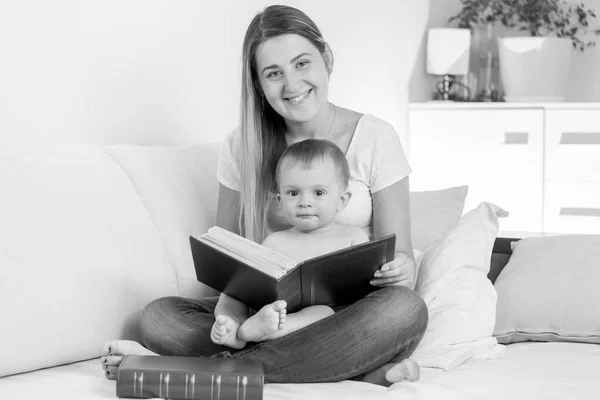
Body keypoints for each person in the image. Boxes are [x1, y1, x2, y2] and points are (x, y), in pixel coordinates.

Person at [101, 4, 428, 386]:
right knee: (159, 317)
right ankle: (343, 368)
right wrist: (236, 313)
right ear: (258, 84)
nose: (292, 84)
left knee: (404, 310)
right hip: (266, 314)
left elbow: (402, 257)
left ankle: (206, 372)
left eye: (302, 63)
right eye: (274, 73)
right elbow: (225, 260)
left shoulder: (375, 138)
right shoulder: (244, 147)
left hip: (345, 315)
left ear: (327, 59)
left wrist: (400, 268)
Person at [211, 138, 370, 349]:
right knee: (232, 289)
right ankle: (231, 325)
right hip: (272, 310)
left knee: (323, 311)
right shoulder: (275, 241)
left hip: (324, 324)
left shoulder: (353, 237)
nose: (305, 202)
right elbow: (254, 288)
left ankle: (257, 333)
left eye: (318, 193)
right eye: (293, 193)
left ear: (342, 200)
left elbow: (366, 293)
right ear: (280, 201)